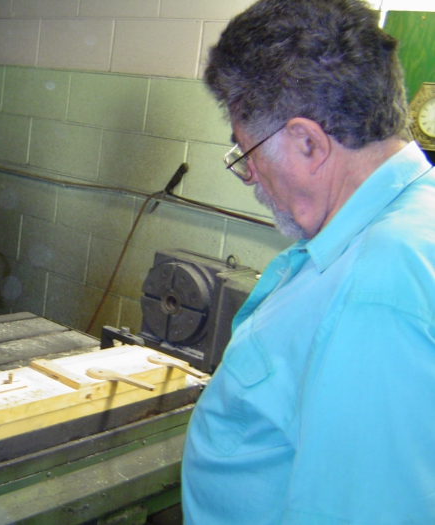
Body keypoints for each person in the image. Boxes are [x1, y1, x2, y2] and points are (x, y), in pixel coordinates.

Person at [181, 0, 435, 523]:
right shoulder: (394, 225)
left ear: (307, 142)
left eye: (247, 154)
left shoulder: (380, 281)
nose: (251, 178)